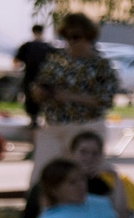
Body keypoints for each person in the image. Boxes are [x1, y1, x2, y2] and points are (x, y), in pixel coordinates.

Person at [28, 12, 119, 167]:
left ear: (88, 37)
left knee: (84, 175)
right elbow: (39, 85)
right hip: (54, 125)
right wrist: (39, 92)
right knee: (43, 174)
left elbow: (106, 100)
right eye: (66, 37)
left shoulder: (100, 65)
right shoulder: (56, 61)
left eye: (75, 37)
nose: (70, 42)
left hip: (85, 128)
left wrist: (70, 96)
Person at [14, 23, 53, 129]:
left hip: (32, 77)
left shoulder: (27, 46)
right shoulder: (47, 47)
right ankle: (37, 119)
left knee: (32, 99)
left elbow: (16, 62)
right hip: (42, 77)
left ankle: (34, 118)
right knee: (38, 99)